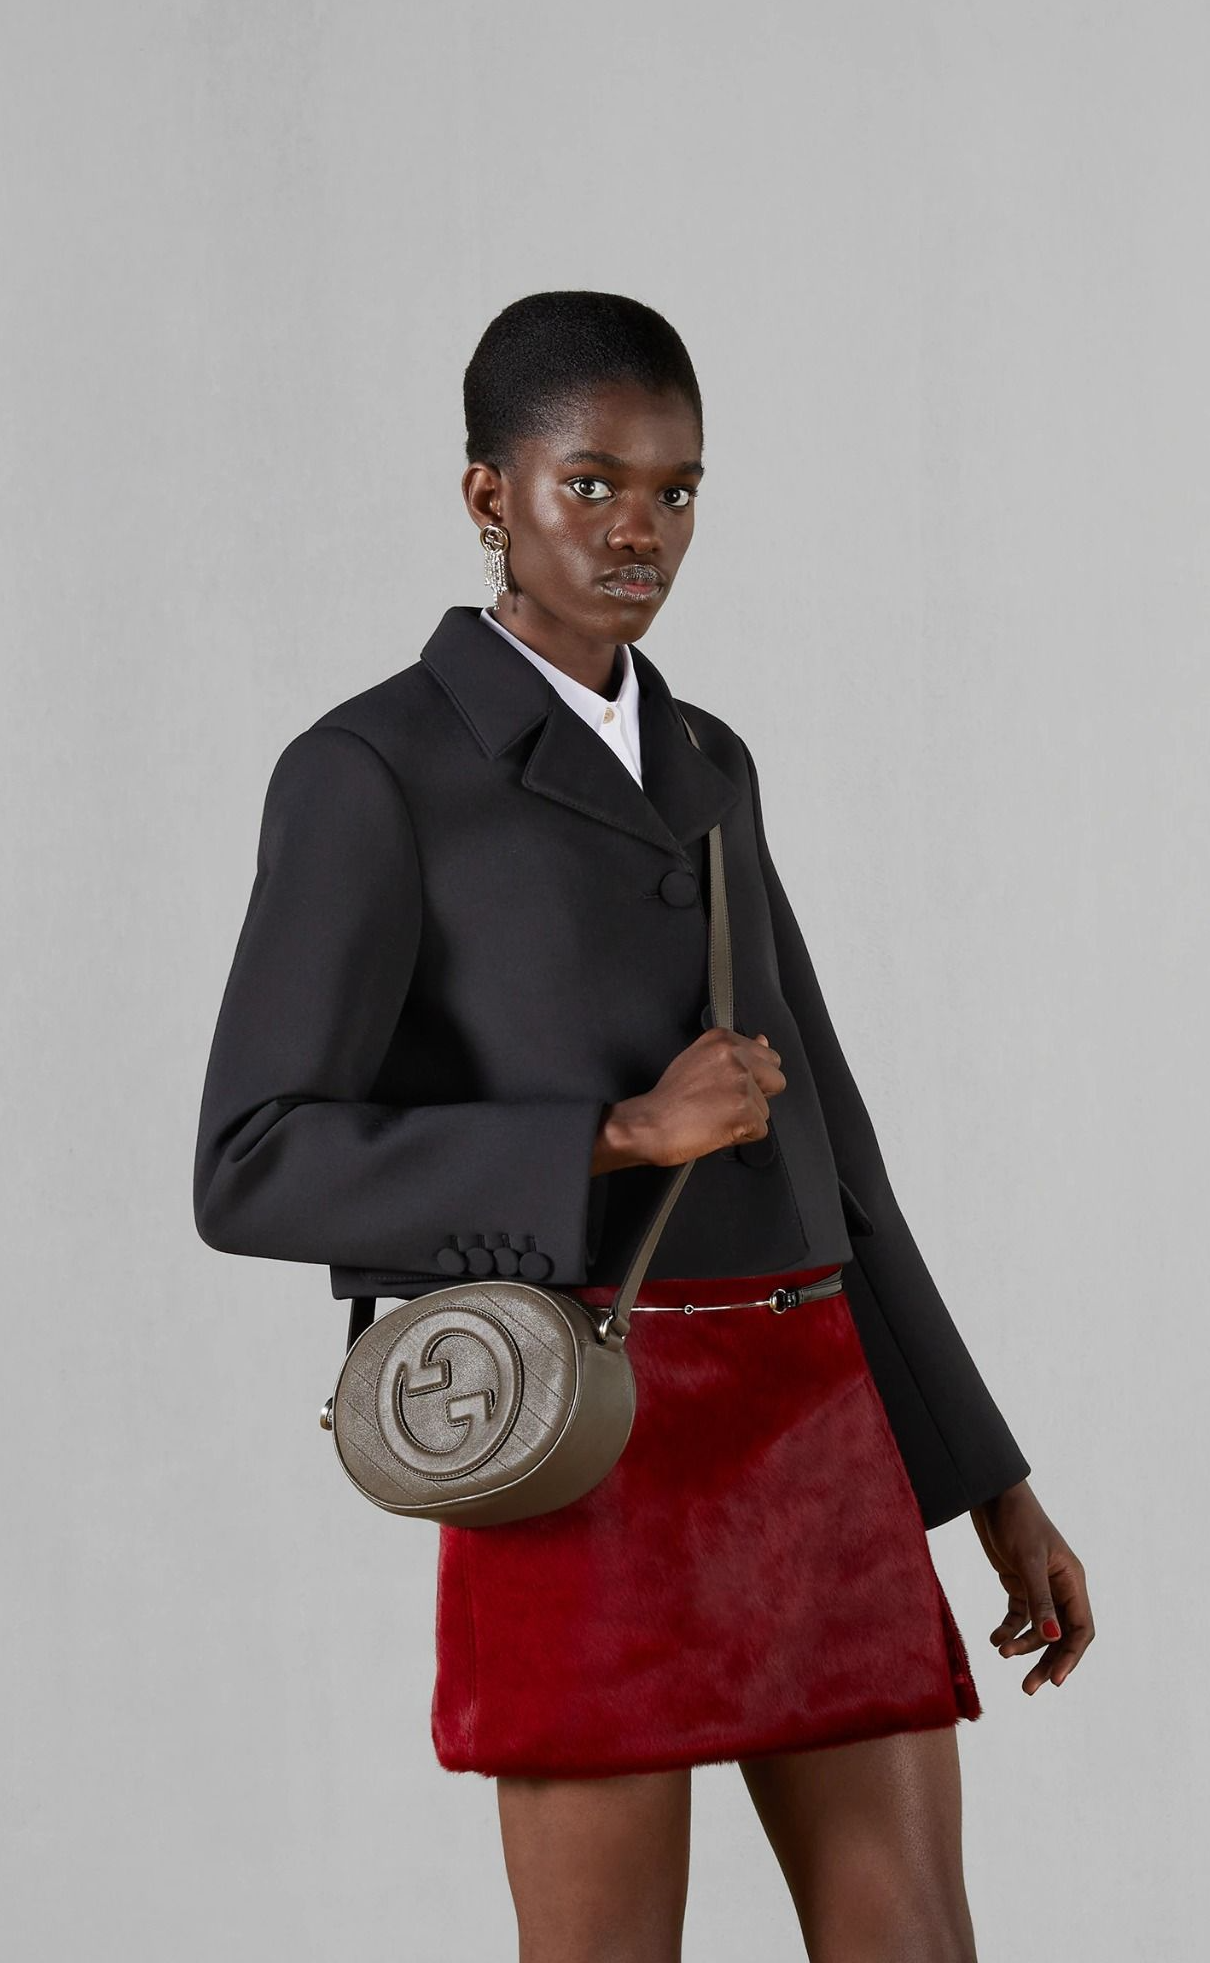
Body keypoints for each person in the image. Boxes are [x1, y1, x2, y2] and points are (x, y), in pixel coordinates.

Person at [194, 290, 1093, 1962]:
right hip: (576, 1436)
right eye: (592, 484)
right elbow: (252, 1162)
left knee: (920, 1943)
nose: (641, 530)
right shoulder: (371, 770)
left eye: (677, 491)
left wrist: (987, 1477)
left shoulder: (708, 758)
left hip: (813, 1416)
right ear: (491, 497)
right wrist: (611, 1135)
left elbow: (841, 1159)